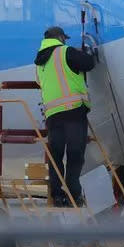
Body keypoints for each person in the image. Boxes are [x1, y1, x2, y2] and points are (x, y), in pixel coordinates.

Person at [34, 26, 96, 207]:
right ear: (60, 37)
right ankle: (74, 192)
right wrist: (85, 52)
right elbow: (89, 64)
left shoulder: (39, 61)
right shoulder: (65, 52)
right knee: (75, 153)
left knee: (56, 155)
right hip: (73, 111)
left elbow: (40, 83)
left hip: (52, 114)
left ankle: (57, 194)